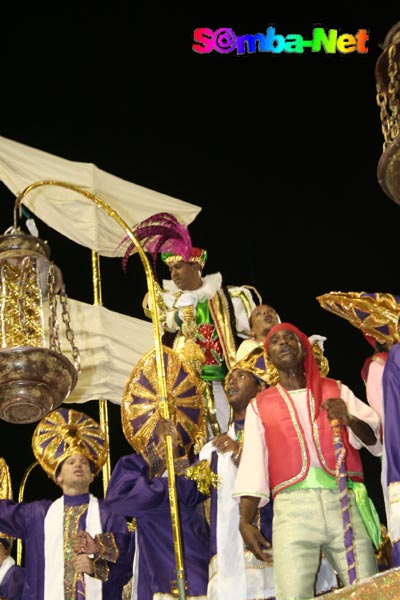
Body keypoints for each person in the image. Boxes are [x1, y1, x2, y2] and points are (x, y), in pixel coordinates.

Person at [233, 322, 383, 600]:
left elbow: (375, 443)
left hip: (343, 502)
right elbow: (253, 465)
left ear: (304, 350)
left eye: (290, 338)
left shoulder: (336, 389)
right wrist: (244, 520)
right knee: (292, 594)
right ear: (269, 357)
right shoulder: (260, 405)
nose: (283, 343)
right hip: (292, 511)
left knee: (368, 591)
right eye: (275, 341)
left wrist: (349, 418)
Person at [0, 407, 134, 600]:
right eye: (70, 462)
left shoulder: (109, 514)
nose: (78, 465)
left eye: (83, 462)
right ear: (58, 476)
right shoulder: (38, 514)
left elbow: (127, 564)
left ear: (92, 475)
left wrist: (95, 565)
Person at [148, 246, 258, 437]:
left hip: (223, 383)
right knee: (191, 442)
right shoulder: (172, 304)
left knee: (231, 434)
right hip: (185, 390)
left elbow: (257, 335)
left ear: (195, 266)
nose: (173, 273)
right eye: (171, 269)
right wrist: (182, 315)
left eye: (179, 266)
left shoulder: (228, 298)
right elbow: (165, 322)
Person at [104, 415, 210, 600]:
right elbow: (117, 501)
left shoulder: (198, 462)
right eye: (160, 426)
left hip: (194, 550)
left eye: (173, 426)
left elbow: (193, 493)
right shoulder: (135, 465)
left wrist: (177, 458)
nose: (168, 430)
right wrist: (154, 463)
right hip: (155, 557)